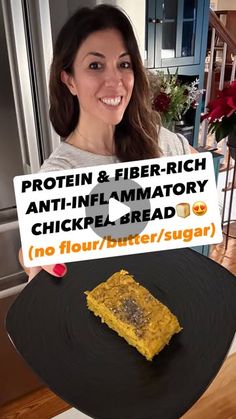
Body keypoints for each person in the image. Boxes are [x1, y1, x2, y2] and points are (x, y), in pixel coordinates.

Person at [19, 4, 196, 281]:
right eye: (95, 65)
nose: (115, 81)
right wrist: (32, 256)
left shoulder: (158, 139)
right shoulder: (59, 175)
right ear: (69, 81)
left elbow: (202, 180)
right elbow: (35, 250)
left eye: (124, 64)